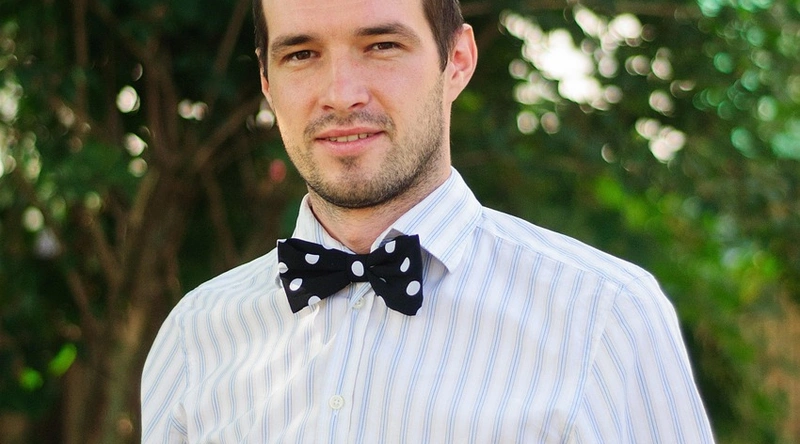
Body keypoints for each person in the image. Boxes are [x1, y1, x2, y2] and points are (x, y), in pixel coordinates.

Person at [141, 0, 715, 442]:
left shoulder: (606, 317)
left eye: (382, 45)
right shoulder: (195, 335)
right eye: (301, 54)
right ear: (267, 81)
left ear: (457, 61)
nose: (340, 94)